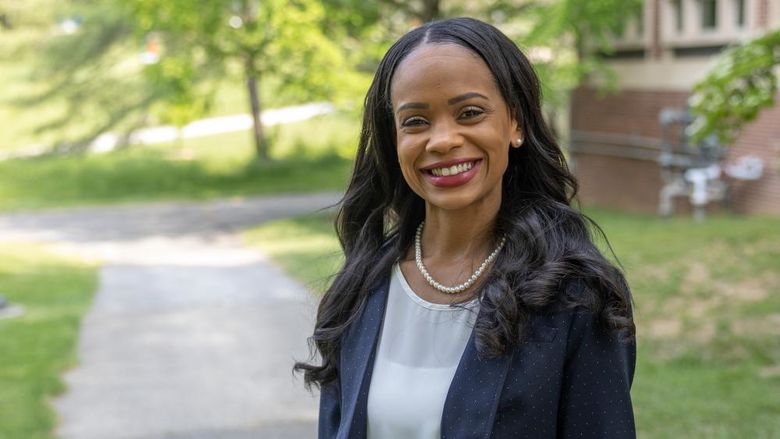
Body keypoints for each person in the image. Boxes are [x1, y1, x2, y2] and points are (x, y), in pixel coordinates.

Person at [294, 17, 637, 439]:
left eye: (469, 113)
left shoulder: (576, 297)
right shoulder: (362, 288)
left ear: (516, 123)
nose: (442, 140)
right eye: (415, 122)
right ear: (394, 139)